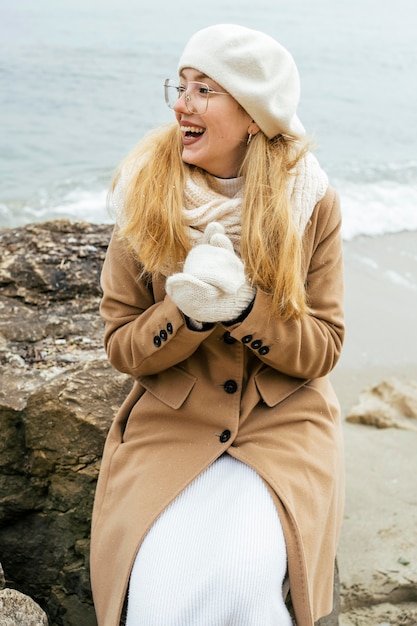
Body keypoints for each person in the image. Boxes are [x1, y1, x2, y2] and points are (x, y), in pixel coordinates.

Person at [90, 23, 345, 626]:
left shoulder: (311, 201)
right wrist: (188, 313)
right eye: (179, 86)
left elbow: (323, 349)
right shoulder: (145, 193)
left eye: (204, 89)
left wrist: (243, 308)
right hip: (171, 425)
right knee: (160, 592)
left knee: (243, 579)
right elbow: (122, 346)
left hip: (281, 422)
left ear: (253, 115)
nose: (181, 104)